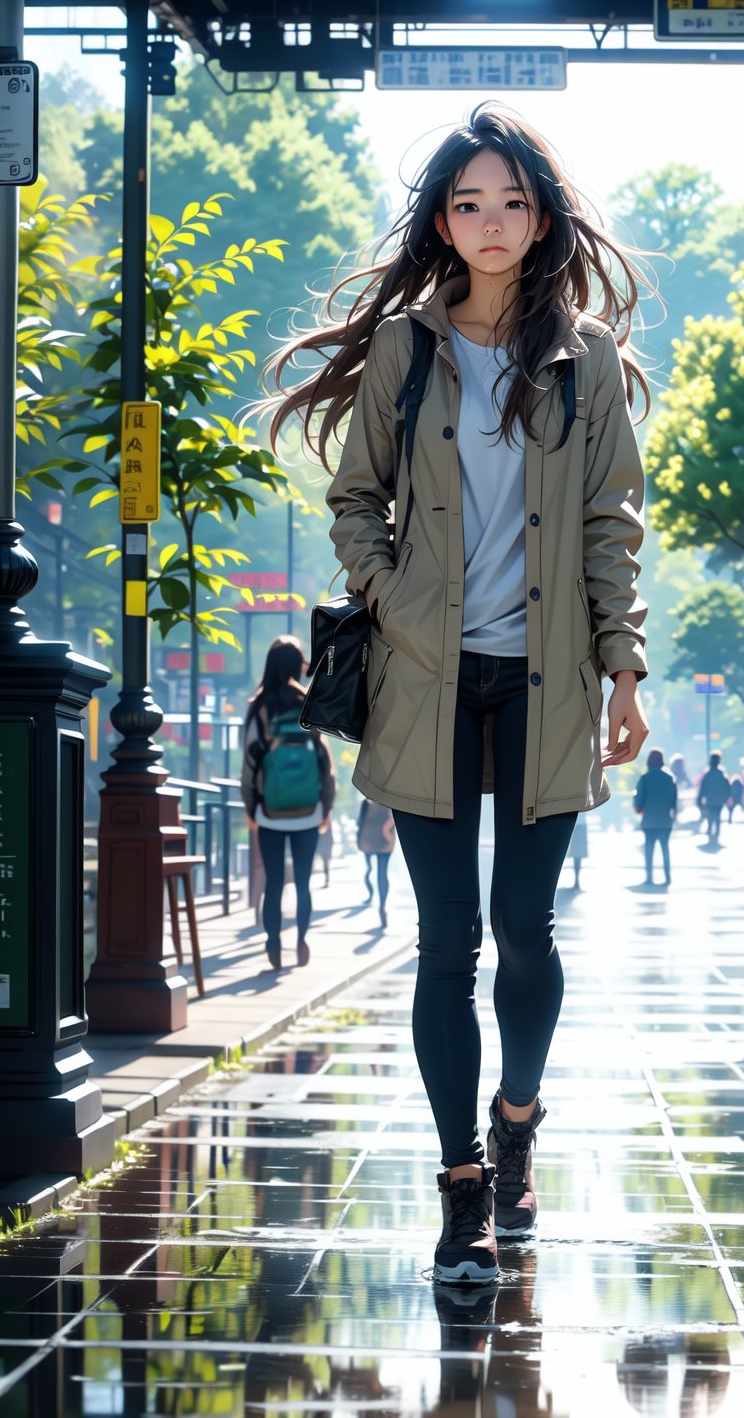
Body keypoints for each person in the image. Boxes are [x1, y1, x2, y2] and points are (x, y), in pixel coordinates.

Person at [269, 105, 650, 1283]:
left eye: (512, 202)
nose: (490, 222)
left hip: (545, 686)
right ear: (442, 220)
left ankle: (517, 1121)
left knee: (527, 939)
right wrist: (392, 598)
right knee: (449, 943)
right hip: (425, 684)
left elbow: (608, 526)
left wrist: (624, 667)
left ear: (543, 219)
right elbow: (353, 501)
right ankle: (460, 1188)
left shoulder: (584, 360)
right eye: (467, 202)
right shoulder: (408, 349)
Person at [242, 636, 335, 970]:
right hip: (308, 810)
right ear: (297, 666)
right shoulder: (306, 702)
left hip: (269, 811)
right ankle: (301, 940)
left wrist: (251, 807)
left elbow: (250, 762)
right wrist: (326, 805)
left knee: (274, 882)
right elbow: (324, 760)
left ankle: (272, 942)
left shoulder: (259, 706)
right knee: (305, 882)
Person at [633, 748, 677, 887]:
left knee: (649, 849)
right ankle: (667, 876)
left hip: (649, 820)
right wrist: (673, 816)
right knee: (665, 849)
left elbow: (639, 799)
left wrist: (638, 808)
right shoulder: (670, 779)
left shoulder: (644, 779)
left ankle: (649, 877)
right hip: (665, 820)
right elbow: (674, 801)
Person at [357, 798, 395, 928]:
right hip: (386, 840)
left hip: (368, 839)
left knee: (369, 869)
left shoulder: (366, 803)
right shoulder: (390, 800)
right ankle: (382, 906)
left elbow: (360, 823)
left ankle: (371, 894)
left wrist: (358, 841)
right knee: (382, 873)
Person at [697, 752, 731, 845]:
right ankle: (716, 835)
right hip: (719, 801)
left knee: (710, 817)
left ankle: (710, 833)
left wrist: (699, 801)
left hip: (710, 800)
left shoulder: (707, 774)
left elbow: (702, 789)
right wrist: (726, 798)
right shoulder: (722, 774)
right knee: (717, 817)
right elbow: (728, 788)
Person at [565, 813, 589, 890]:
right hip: (577, 826)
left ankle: (577, 880)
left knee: (578, 856)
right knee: (577, 857)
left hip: (578, 827)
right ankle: (576, 880)